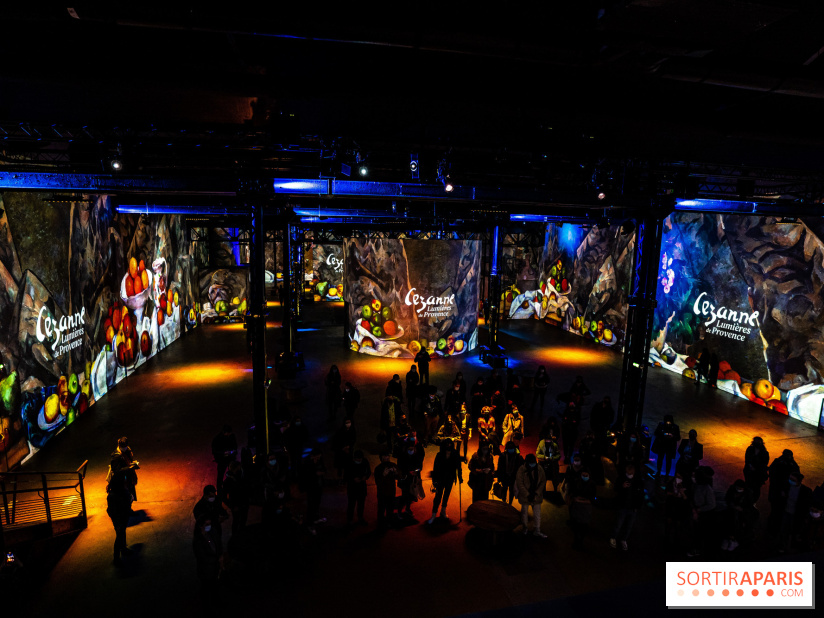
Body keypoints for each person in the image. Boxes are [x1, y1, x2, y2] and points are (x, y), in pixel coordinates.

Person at [106, 456, 134, 565]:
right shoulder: (114, 495)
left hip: (123, 513)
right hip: (119, 517)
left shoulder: (119, 488)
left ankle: (123, 549)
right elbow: (112, 510)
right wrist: (117, 523)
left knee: (122, 533)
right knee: (119, 534)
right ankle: (116, 558)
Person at [767, 449, 801, 535]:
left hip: (779, 491)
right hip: (780, 491)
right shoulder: (792, 465)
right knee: (777, 509)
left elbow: (771, 473)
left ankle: (773, 526)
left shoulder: (779, 462)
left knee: (776, 509)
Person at [428, 440, 463, 523]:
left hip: (450, 478)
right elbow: (435, 468)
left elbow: (459, 466)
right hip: (441, 478)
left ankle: (443, 511)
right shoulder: (439, 455)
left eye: (450, 445)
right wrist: (434, 480)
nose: (448, 447)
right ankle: (433, 514)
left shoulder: (455, 454)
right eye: (447, 445)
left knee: (446, 495)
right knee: (438, 497)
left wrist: (460, 477)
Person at [610, 464, 643, 550]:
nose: (629, 475)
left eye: (631, 473)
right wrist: (622, 486)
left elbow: (640, 495)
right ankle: (613, 537)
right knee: (618, 524)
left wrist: (637, 507)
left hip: (632, 508)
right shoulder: (621, 479)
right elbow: (616, 489)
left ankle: (623, 539)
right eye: (628, 473)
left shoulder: (638, 481)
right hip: (623, 506)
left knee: (629, 526)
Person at [516, 453, 547, 537]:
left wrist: (536, 493)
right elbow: (520, 483)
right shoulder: (522, 470)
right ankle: (525, 528)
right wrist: (527, 494)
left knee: (537, 514)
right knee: (524, 513)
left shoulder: (539, 469)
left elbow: (542, 482)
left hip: (536, 496)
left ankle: (537, 529)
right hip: (525, 496)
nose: (533, 464)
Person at [720, 479, 754, 552]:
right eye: (738, 488)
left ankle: (734, 540)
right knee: (728, 524)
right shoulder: (732, 490)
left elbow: (749, 506)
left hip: (741, 514)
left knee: (737, 526)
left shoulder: (748, 494)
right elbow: (727, 498)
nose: (739, 490)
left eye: (741, 489)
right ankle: (729, 539)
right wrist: (732, 505)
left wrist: (742, 509)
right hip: (731, 511)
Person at [569, 467, 596, 550]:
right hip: (577, 508)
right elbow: (573, 494)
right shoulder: (577, 482)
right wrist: (583, 499)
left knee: (583, 527)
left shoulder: (592, 484)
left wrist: (579, 499)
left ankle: (580, 542)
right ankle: (577, 541)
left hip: (585, 510)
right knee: (576, 526)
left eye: (586, 475)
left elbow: (591, 499)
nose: (584, 477)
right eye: (583, 475)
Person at [193, 516, 222, 590]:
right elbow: (203, 558)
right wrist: (217, 560)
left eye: (210, 524)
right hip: (206, 572)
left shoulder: (211, 534)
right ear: (200, 526)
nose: (209, 526)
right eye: (207, 525)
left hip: (214, 569)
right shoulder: (198, 541)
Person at [300, 447, 326, 530]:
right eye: (317, 457)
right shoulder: (307, 461)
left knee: (317, 502)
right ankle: (310, 523)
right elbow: (305, 475)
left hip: (318, 485)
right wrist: (315, 473)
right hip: (311, 487)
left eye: (319, 457)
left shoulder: (319, 460)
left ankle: (316, 518)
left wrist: (322, 472)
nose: (318, 458)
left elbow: (324, 468)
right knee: (311, 504)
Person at [222, 461, 249, 541]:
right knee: (237, 521)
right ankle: (236, 538)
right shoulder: (228, 481)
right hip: (236, 505)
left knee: (242, 520)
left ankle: (241, 536)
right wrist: (232, 506)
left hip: (244, 503)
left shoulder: (242, 476)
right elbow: (223, 497)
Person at [397, 440, 425, 517]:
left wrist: (416, 471)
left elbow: (420, 466)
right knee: (404, 496)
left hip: (413, 479)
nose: (411, 451)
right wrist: (408, 472)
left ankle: (407, 509)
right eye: (409, 449)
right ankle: (399, 511)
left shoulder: (416, 455)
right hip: (405, 479)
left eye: (412, 449)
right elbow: (400, 467)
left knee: (410, 495)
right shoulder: (402, 456)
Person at [345, 449, 371, 526]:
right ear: (354, 458)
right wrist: (353, 478)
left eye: (360, 459)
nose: (359, 460)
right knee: (351, 505)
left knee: (361, 504)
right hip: (352, 487)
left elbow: (368, 471)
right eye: (358, 459)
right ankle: (349, 520)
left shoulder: (365, 461)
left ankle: (360, 518)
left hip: (361, 487)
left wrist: (365, 477)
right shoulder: (349, 463)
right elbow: (346, 475)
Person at [374, 450, 399, 527]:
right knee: (381, 509)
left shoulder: (393, 465)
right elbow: (378, 482)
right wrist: (384, 475)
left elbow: (399, 477)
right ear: (381, 458)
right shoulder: (378, 468)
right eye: (385, 456)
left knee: (390, 508)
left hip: (391, 491)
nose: (387, 458)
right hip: (382, 493)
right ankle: (380, 523)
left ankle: (389, 521)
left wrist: (396, 472)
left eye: (388, 456)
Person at [211, 425, 237, 496]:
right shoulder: (217, 439)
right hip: (222, 460)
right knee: (220, 476)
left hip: (230, 459)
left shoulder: (231, 436)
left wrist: (233, 452)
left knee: (232, 474)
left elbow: (235, 446)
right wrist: (223, 453)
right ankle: (219, 492)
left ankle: (231, 489)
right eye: (228, 433)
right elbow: (214, 451)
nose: (229, 434)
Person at [743, 436, 769, 504]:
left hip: (758, 474)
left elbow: (764, 463)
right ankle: (748, 500)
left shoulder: (764, 452)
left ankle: (753, 501)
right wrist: (750, 466)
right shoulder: (750, 449)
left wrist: (756, 468)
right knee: (749, 485)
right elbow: (747, 459)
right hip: (750, 472)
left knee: (756, 488)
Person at [496, 441, 524, 505]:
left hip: (513, 477)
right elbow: (500, 467)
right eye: (509, 449)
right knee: (504, 489)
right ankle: (504, 502)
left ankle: (510, 503)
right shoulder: (503, 456)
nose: (511, 450)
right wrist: (499, 478)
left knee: (512, 491)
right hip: (505, 476)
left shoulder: (517, 457)